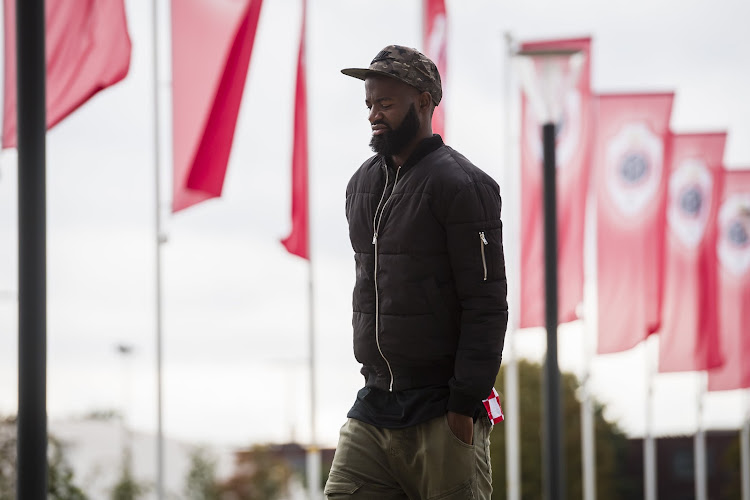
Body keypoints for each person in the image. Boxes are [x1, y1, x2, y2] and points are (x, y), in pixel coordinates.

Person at [325, 45, 508, 500]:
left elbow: (486, 304)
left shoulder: (464, 186)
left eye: (385, 103)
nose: (373, 115)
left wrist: (465, 405)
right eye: (369, 104)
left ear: (424, 102)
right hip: (374, 403)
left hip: (442, 408)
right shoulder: (361, 185)